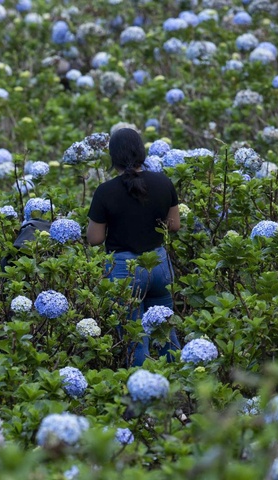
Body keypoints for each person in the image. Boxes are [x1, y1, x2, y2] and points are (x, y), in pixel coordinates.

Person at [86, 128, 181, 367]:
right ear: (142, 152)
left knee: (135, 339)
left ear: (113, 157)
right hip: (159, 265)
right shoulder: (163, 182)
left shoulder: (105, 191)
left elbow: (95, 239)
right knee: (166, 332)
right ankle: (180, 388)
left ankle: (142, 393)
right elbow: (175, 225)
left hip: (124, 271)